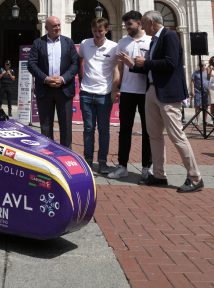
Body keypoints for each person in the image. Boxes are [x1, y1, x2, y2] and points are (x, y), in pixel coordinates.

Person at [123, 10, 203, 193]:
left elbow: (170, 63)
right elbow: (152, 68)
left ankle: (195, 177)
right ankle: (159, 174)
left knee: (177, 136)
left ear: (151, 22)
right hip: (152, 90)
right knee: (154, 135)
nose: (141, 27)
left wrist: (146, 62)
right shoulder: (154, 40)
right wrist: (134, 66)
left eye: (143, 23)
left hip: (168, 93)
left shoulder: (170, 36)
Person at [109, 11, 152, 180]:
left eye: (129, 24)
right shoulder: (122, 42)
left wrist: (134, 64)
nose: (127, 27)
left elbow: (151, 66)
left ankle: (146, 168)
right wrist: (115, 88)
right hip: (127, 91)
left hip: (146, 92)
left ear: (139, 24)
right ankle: (122, 166)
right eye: (126, 24)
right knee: (124, 130)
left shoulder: (150, 41)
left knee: (147, 131)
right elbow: (117, 67)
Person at [27, 16, 79, 150]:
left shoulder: (69, 42)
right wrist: (45, 79)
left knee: (66, 125)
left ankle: (66, 153)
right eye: (54, 26)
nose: (57, 28)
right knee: (45, 126)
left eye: (59, 25)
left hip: (64, 88)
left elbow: (75, 64)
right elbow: (31, 64)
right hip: (45, 89)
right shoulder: (38, 43)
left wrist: (62, 79)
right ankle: (47, 154)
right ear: (46, 28)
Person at [78, 18, 118, 173]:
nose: (97, 34)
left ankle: (102, 162)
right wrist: (82, 80)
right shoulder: (85, 43)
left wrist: (114, 89)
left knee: (104, 129)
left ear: (106, 30)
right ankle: (88, 161)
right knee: (88, 129)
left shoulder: (113, 47)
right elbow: (79, 60)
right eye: (95, 31)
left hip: (104, 94)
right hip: (86, 93)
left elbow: (118, 68)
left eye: (100, 31)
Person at [207, 57, 214, 124]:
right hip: (211, 88)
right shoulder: (209, 68)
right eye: (212, 60)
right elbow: (208, 78)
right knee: (212, 104)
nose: (213, 61)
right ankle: (212, 119)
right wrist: (211, 70)